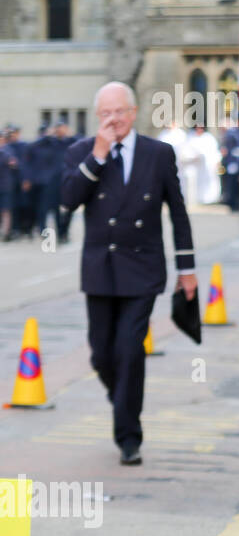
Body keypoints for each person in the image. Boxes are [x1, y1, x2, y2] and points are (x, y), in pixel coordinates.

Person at [60, 82, 198, 464]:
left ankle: (129, 436)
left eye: (119, 112)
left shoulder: (158, 154)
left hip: (142, 267)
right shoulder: (81, 151)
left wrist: (187, 268)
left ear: (133, 112)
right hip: (100, 268)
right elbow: (68, 200)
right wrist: (98, 156)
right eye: (105, 114)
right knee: (101, 355)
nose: (113, 120)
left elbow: (179, 213)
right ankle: (122, 402)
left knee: (129, 350)